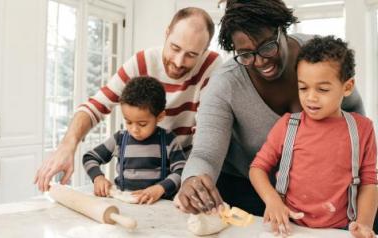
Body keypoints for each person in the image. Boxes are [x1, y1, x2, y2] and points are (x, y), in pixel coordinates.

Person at [177, 0, 364, 216]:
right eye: (245, 54)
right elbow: (205, 154)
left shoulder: (319, 57)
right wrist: (192, 179)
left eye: (267, 47)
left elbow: (353, 109)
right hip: (247, 189)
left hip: (315, 187)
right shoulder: (225, 84)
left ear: (282, 29)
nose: (259, 62)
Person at [35, 7, 222, 192]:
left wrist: (190, 180)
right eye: (175, 48)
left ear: (204, 51)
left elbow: (205, 134)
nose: (179, 62)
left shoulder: (211, 66)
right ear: (166, 34)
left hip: (184, 173)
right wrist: (67, 145)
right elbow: (96, 105)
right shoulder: (142, 62)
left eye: (191, 55)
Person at [249, 36, 377, 238]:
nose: (311, 98)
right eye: (303, 88)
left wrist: (364, 224)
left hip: (341, 229)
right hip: (291, 228)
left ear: (347, 87)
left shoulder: (363, 128)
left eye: (323, 89)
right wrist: (273, 201)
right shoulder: (288, 125)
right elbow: (257, 168)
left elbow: (369, 182)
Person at [83, 77, 186, 204]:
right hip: (124, 204)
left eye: (142, 124)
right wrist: (98, 177)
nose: (134, 129)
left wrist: (160, 188)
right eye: (128, 122)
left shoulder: (169, 140)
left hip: (158, 205)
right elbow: (89, 157)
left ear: (160, 116)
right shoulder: (119, 139)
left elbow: (182, 171)